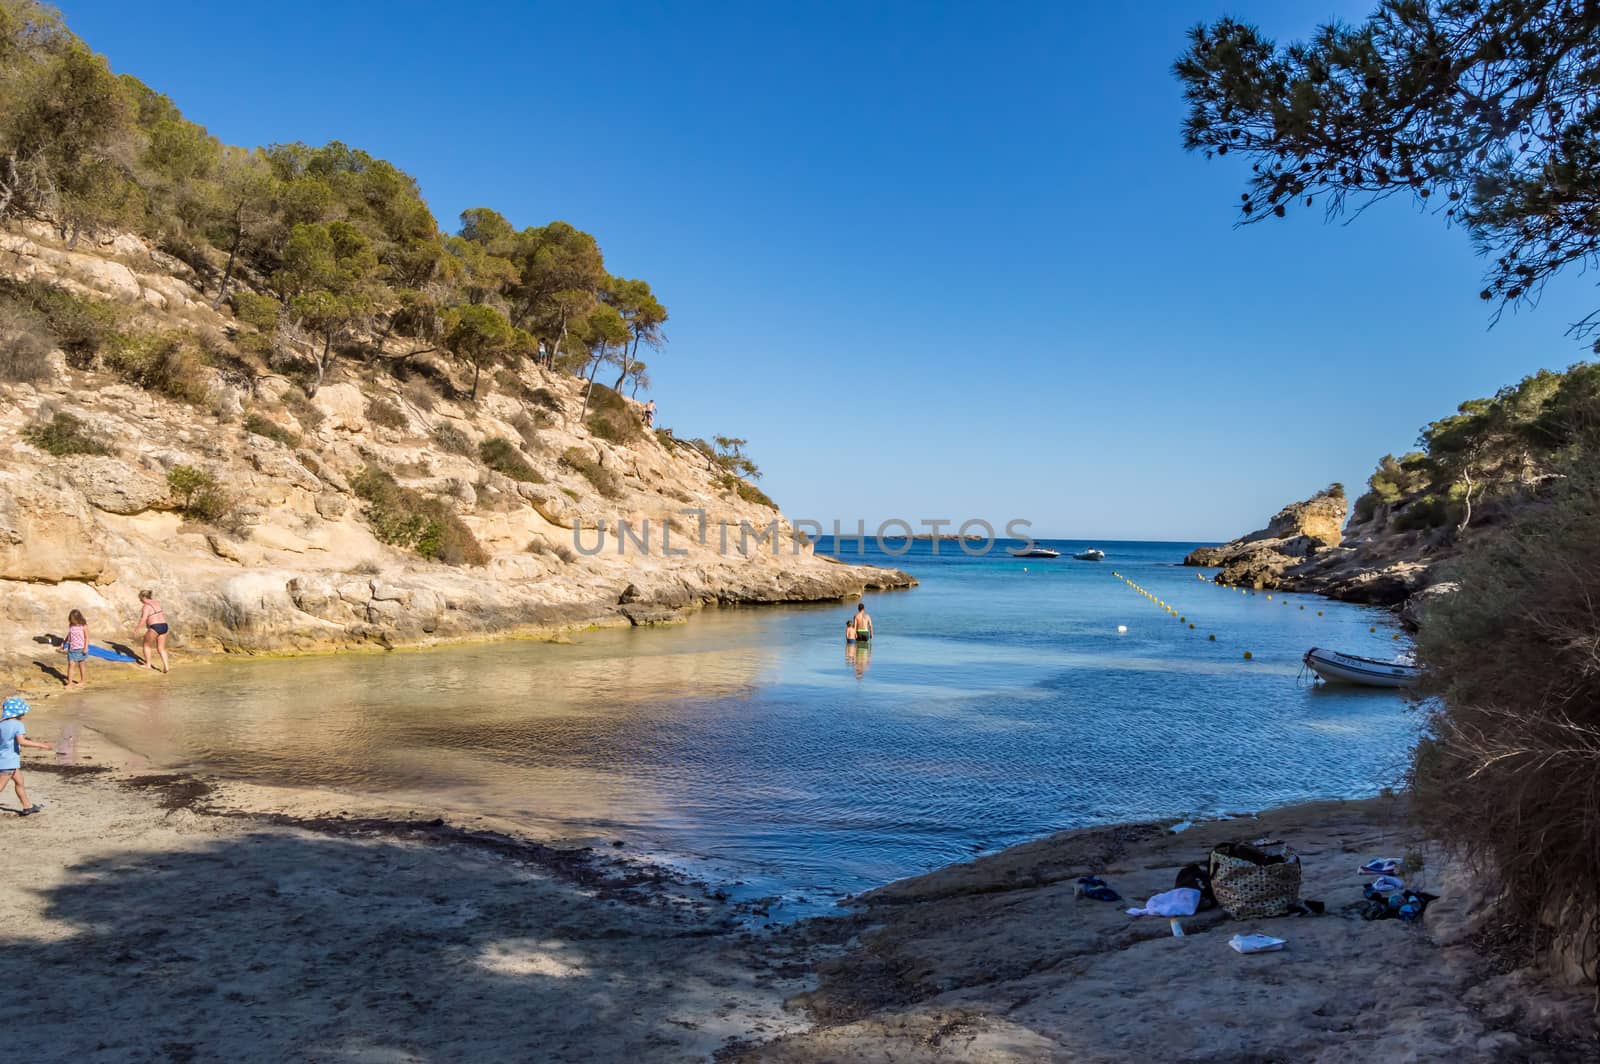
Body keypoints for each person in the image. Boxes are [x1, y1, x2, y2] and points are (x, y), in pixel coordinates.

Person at [1, 697, 51, 816]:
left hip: (5, 759)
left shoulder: (2, 724)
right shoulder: (18, 725)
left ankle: (27, 806)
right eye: (23, 712)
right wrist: (42, 745)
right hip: (8, 761)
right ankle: (27, 806)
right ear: (18, 712)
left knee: (20, 782)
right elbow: (22, 741)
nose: (24, 714)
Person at [138, 589, 171, 674]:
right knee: (161, 648)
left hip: (155, 626)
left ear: (143, 597)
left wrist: (137, 629)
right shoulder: (156, 602)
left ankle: (148, 665)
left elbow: (144, 619)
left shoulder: (146, 606)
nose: (139, 600)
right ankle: (166, 666)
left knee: (146, 645)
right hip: (164, 626)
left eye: (139, 598)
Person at [60, 608, 89, 688]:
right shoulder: (71, 625)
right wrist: (63, 643)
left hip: (81, 648)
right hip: (71, 648)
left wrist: (85, 648)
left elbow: (87, 637)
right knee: (71, 664)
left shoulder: (83, 626)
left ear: (78, 618)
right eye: (71, 620)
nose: (72, 622)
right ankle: (70, 683)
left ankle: (83, 681)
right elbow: (69, 635)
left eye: (74, 620)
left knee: (81, 664)